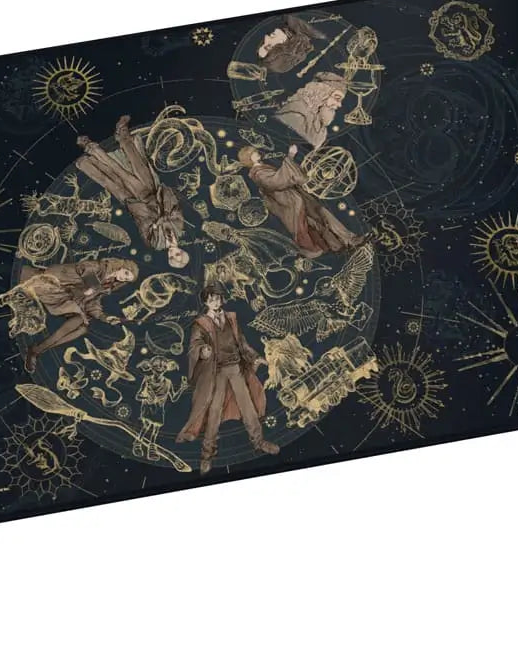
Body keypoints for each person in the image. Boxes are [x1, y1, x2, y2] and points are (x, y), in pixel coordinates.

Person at [175, 284, 279, 474]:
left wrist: (255, 357)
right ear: (206, 302)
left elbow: (242, 342)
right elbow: (195, 344)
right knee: (214, 412)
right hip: (216, 373)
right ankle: (207, 454)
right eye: (211, 299)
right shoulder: (201, 323)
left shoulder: (231, 318)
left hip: (236, 368)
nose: (215, 302)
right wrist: (203, 351)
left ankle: (259, 442)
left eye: (218, 298)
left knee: (248, 407)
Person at [76, 115, 190, 268]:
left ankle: (90, 147)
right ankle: (122, 133)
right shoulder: (179, 229)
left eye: (171, 257)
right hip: (152, 191)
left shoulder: (156, 244)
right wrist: (160, 220)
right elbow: (175, 209)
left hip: (135, 200)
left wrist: (159, 220)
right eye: (177, 254)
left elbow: (143, 225)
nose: (173, 253)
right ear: (182, 251)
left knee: (114, 174)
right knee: (136, 161)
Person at [238, 145, 363, 258]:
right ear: (249, 158)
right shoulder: (258, 174)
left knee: (323, 215)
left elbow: (283, 179)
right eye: (253, 153)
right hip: (292, 204)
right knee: (318, 224)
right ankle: (340, 245)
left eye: (255, 151)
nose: (256, 153)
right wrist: (290, 157)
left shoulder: (261, 169)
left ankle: (349, 240)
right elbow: (277, 181)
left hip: (297, 199)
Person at [16, 258, 138, 372]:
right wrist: (93, 286)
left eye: (126, 279)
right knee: (79, 318)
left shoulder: (108, 285)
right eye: (126, 273)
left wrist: (105, 317)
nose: (123, 278)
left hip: (67, 296)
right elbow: (83, 267)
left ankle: (37, 350)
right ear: (122, 266)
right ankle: (36, 350)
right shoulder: (102, 266)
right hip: (57, 284)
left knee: (82, 328)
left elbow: (92, 303)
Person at [273, 72, 348, 147]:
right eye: (337, 98)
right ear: (322, 93)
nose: (339, 105)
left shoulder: (319, 123)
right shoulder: (296, 110)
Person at [255, 15, 327, 74]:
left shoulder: (289, 21)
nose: (266, 37)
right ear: (286, 51)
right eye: (269, 46)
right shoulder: (309, 27)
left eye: (263, 43)